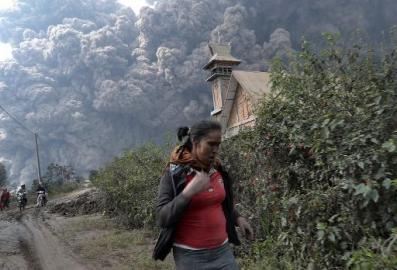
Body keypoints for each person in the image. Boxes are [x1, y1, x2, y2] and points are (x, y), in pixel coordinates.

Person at [153, 120, 254, 270]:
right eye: (210, 144)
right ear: (195, 141)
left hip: (223, 252)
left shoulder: (217, 169)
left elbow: (223, 203)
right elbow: (162, 218)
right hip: (190, 257)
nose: (215, 150)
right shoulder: (175, 173)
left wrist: (238, 218)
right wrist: (188, 193)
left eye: (218, 144)